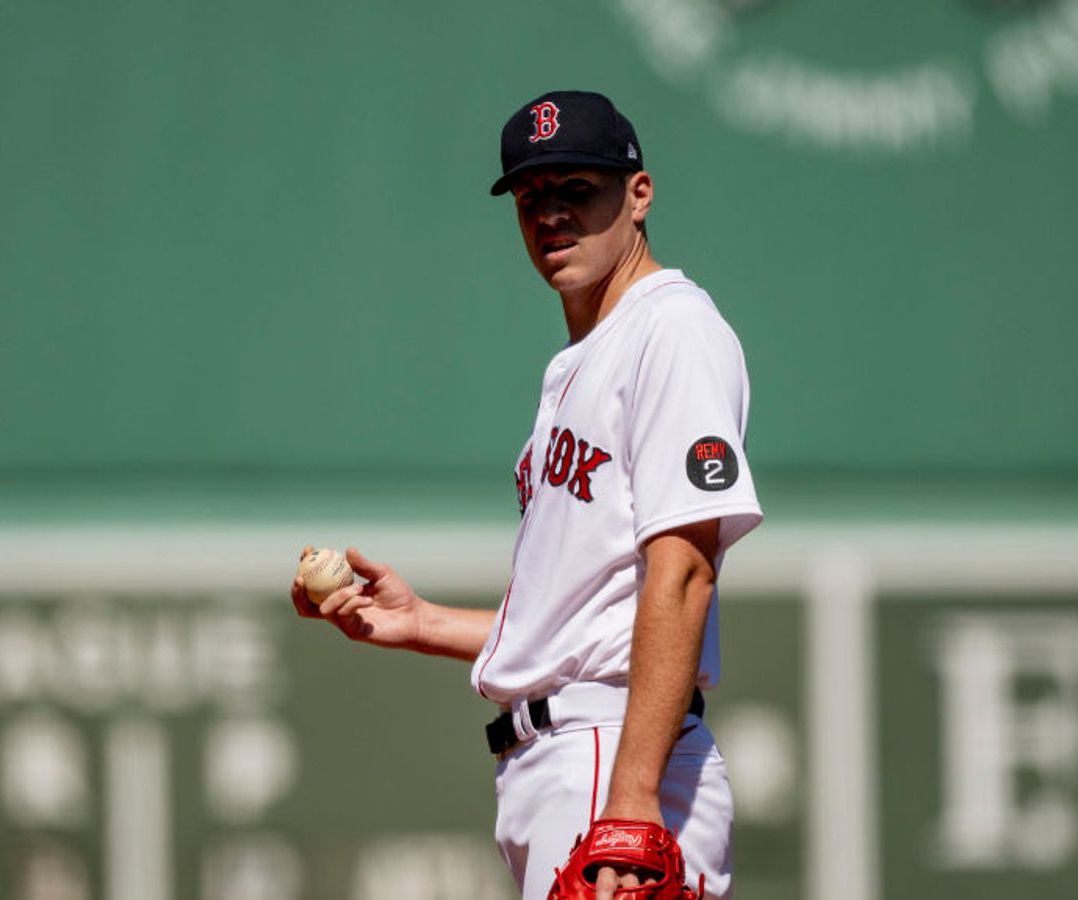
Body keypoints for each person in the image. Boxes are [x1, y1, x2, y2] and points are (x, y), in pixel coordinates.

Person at [291, 90, 762, 900]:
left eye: (578, 191)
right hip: (562, 761)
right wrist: (423, 623)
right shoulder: (583, 358)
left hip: (609, 755)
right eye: (532, 197)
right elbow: (581, 621)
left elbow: (683, 570)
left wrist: (631, 802)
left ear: (638, 193)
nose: (552, 215)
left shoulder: (669, 328)